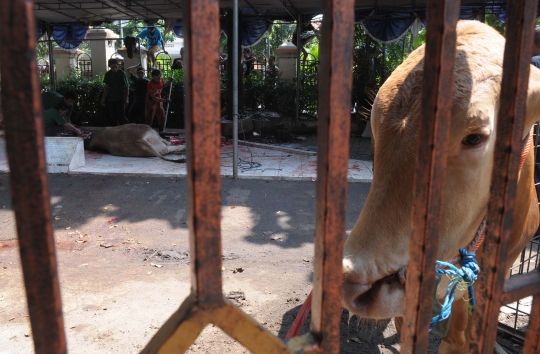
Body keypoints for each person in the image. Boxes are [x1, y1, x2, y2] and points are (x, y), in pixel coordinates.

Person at [101, 58, 130, 126]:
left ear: (118, 66)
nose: (114, 69)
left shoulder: (122, 74)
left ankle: (128, 129)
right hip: (111, 98)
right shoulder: (108, 74)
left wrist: (127, 98)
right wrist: (103, 98)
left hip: (120, 97)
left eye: (116, 67)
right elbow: (106, 87)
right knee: (113, 116)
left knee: (122, 116)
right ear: (110, 67)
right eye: (112, 67)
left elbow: (126, 86)